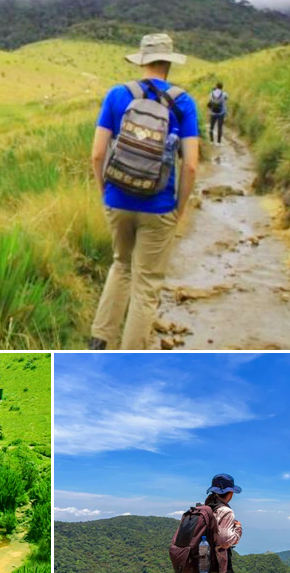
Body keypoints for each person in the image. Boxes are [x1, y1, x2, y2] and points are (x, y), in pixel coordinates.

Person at [87, 33, 201, 351]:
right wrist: (178, 208)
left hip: (117, 199)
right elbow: (191, 165)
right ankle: (129, 359)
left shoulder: (116, 95)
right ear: (168, 63)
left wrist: (105, 193)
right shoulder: (183, 102)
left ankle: (100, 341)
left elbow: (97, 154)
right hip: (159, 205)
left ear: (142, 61)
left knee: (121, 265)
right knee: (146, 284)